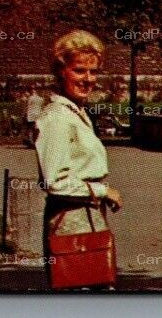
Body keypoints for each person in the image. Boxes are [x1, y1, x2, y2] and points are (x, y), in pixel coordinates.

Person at [35, 30, 122, 289]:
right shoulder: (57, 119)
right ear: (61, 71)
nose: (88, 79)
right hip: (71, 223)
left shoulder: (76, 113)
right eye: (79, 70)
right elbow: (55, 182)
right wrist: (104, 191)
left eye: (93, 72)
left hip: (87, 217)